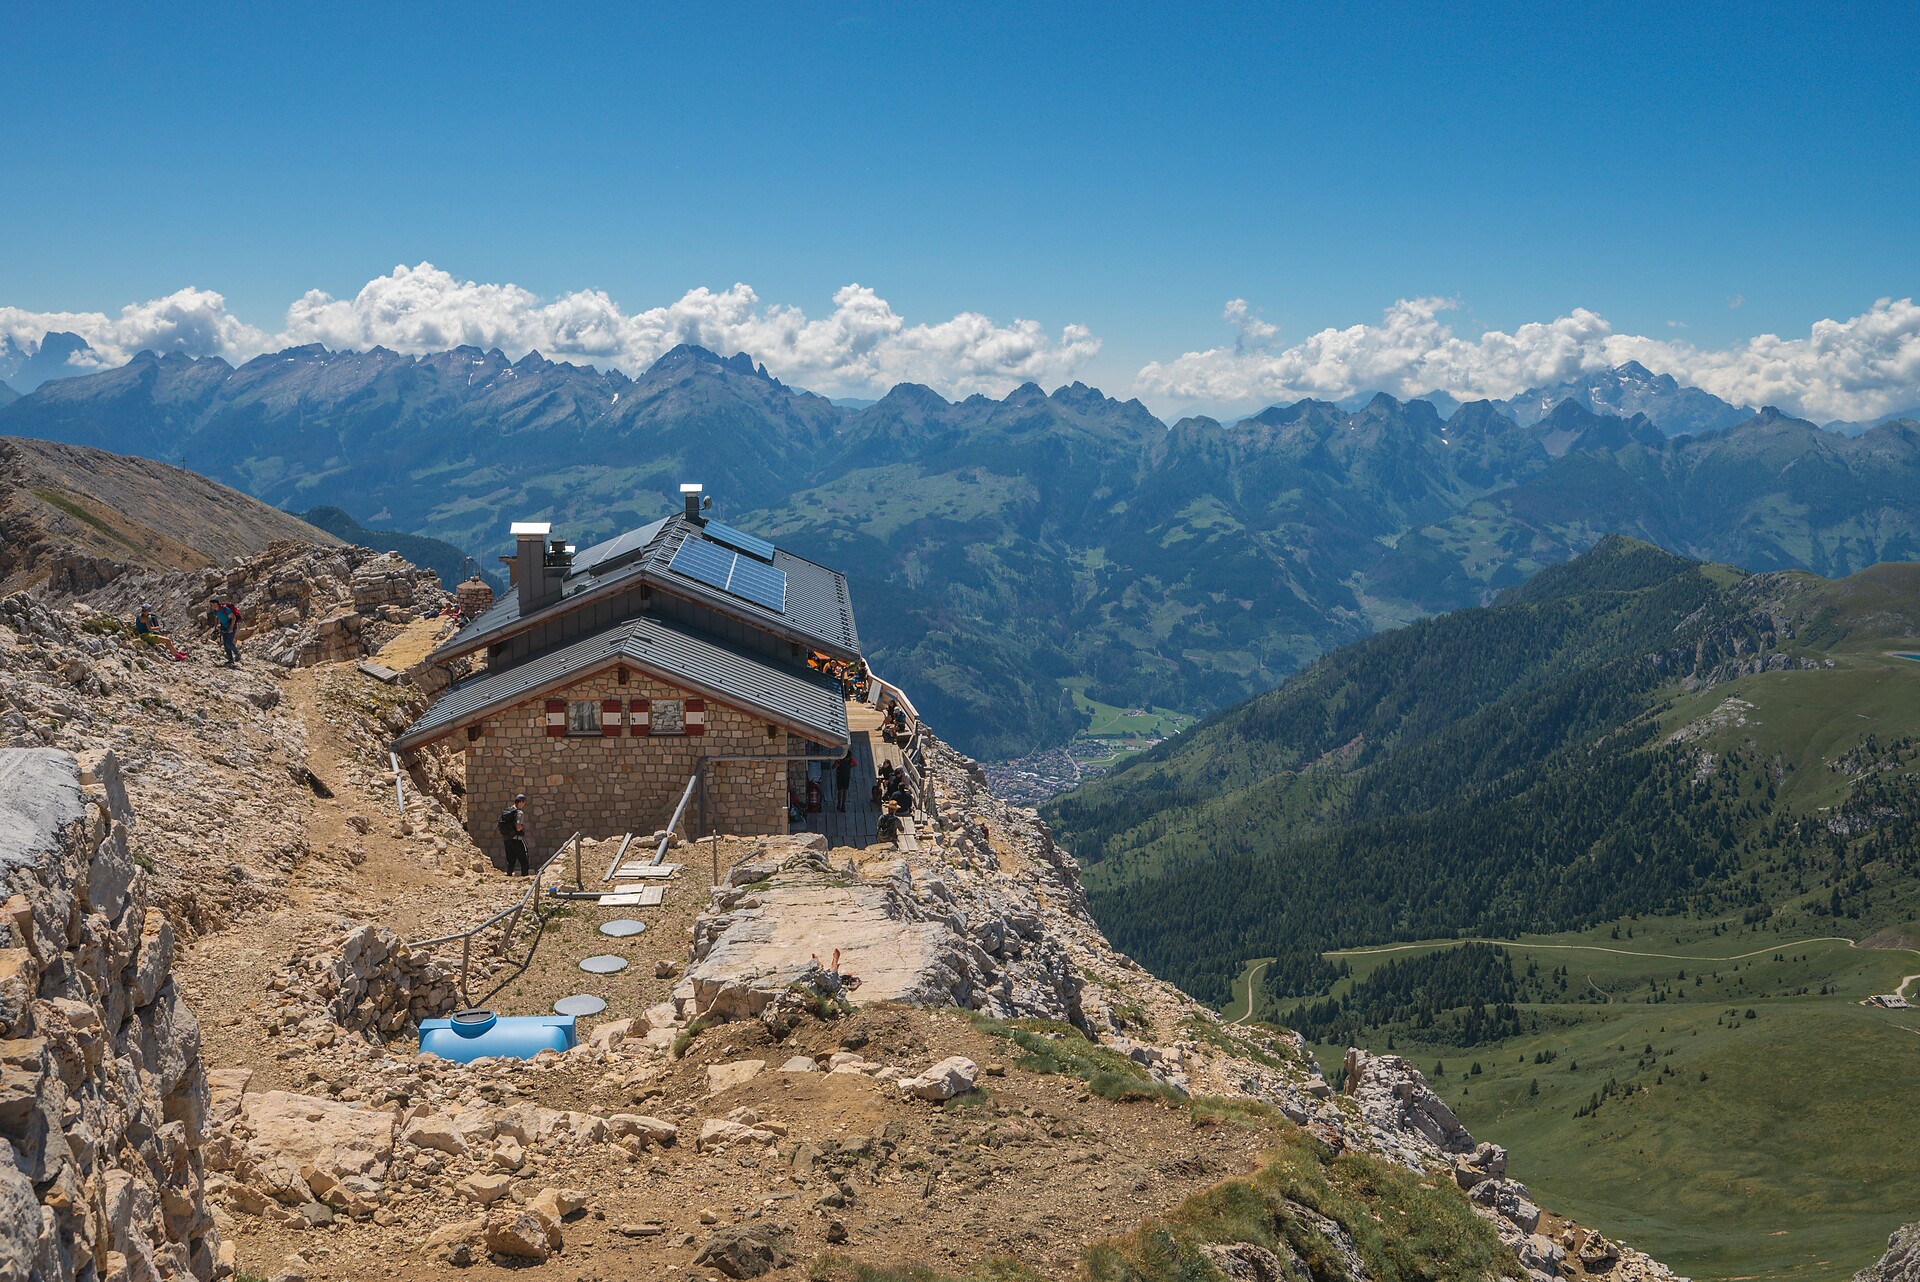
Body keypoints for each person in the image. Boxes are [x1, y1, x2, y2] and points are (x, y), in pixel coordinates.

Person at [497, 793, 530, 875]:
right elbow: (518, 827)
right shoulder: (519, 813)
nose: (523, 805)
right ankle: (525, 878)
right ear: (520, 802)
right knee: (524, 860)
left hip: (507, 839)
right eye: (524, 803)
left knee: (511, 860)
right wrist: (521, 828)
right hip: (516, 839)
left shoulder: (507, 811)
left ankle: (509, 876)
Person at [213, 598, 242, 667]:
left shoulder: (225, 609)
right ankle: (230, 660)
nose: (212, 606)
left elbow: (234, 617)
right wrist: (216, 626)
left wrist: (231, 627)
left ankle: (237, 653)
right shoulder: (215, 611)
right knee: (226, 645)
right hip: (224, 628)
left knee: (228, 642)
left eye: (213, 604)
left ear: (216, 604)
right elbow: (217, 617)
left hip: (231, 627)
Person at [833, 746, 855, 812]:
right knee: (840, 791)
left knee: (845, 791)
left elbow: (855, 764)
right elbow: (834, 766)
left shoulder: (851, 760)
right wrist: (836, 765)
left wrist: (850, 766)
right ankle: (839, 803)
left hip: (846, 777)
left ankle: (843, 805)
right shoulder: (839, 759)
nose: (848, 759)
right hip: (840, 776)